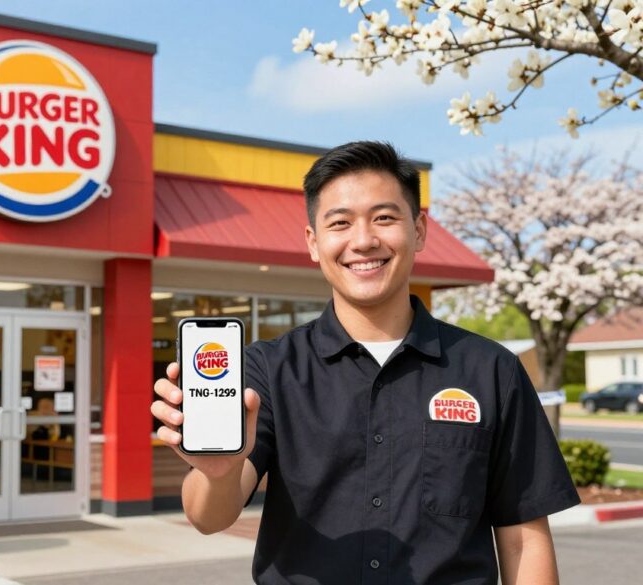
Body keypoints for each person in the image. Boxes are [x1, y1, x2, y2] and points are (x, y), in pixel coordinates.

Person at [151, 142, 580, 584]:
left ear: (419, 230)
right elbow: (209, 517)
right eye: (340, 223)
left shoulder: (493, 371)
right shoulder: (268, 370)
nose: (363, 241)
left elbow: (523, 540)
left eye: (384, 218)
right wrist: (218, 473)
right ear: (314, 244)